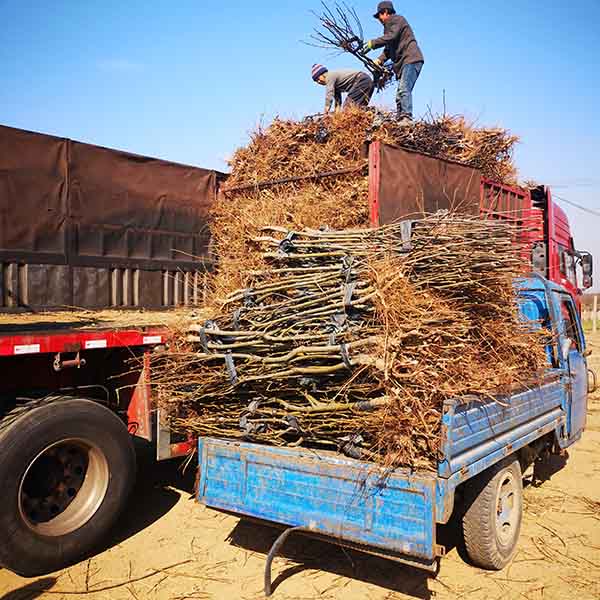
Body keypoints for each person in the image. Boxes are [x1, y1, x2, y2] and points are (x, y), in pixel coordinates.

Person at [363, 1, 424, 124]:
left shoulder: (396, 20)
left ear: (385, 12)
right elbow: (388, 48)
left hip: (410, 59)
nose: (379, 19)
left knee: (403, 89)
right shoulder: (390, 27)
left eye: (379, 16)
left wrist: (372, 43)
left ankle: (406, 118)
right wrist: (379, 60)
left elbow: (391, 36)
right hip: (404, 63)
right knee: (399, 95)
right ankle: (400, 118)